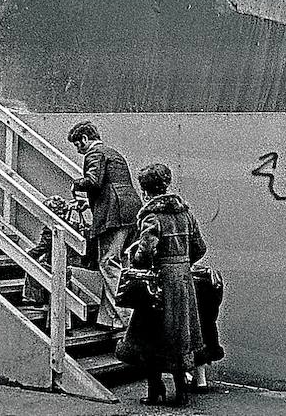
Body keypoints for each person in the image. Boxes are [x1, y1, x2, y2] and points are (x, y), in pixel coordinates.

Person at [115, 163, 207, 407]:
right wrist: (181, 264)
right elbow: (200, 248)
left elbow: (145, 252)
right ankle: (181, 391)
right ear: (166, 184)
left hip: (159, 283)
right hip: (183, 282)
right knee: (179, 336)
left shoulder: (152, 216)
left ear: (145, 189)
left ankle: (155, 389)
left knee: (148, 336)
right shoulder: (185, 214)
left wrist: (138, 258)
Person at [68, 120, 142, 329]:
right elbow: (112, 185)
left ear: (84, 139)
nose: (78, 150)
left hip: (113, 216)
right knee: (121, 264)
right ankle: (108, 319)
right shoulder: (113, 152)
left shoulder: (94, 153)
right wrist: (88, 203)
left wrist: (76, 184)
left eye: (78, 144)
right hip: (131, 213)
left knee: (108, 263)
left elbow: (93, 181)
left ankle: (125, 319)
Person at [21, 194, 87, 307]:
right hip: (68, 266)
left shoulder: (51, 228)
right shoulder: (72, 225)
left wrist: (27, 254)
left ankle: (34, 299)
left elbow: (43, 247)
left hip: (55, 267)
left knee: (32, 267)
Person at [188, 263, 224, 391]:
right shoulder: (209, 277)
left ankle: (195, 379)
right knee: (203, 333)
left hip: (195, 322)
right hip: (208, 320)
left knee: (190, 343)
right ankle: (200, 380)